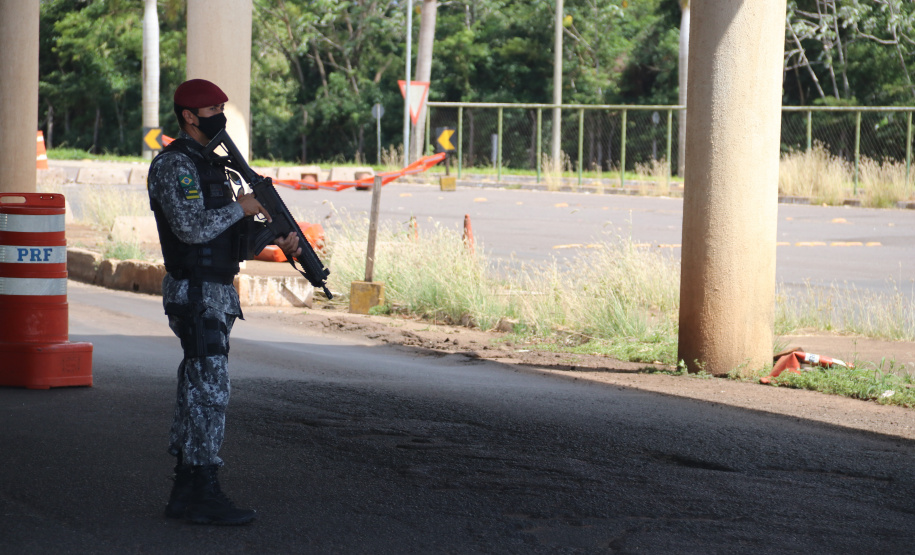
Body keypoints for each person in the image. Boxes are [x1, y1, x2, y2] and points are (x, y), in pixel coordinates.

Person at [147, 79, 300, 525]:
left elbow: (225, 241)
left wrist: (275, 238)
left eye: (222, 106)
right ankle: (203, 491)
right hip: (194, 293)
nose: (221, 113)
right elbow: (191, 228)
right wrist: (243, 206)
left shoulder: (213, 166)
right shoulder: (174, 164)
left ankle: (187, 491)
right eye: (212, 107)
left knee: (198, 391)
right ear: (189, 116)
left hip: (215, 291)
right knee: (211, 392)